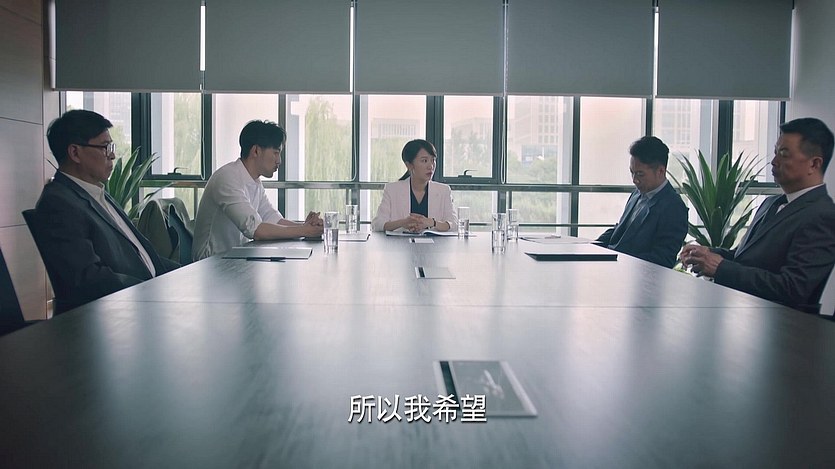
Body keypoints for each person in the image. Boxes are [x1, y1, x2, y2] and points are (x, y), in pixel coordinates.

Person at [681, 117, 835, 313]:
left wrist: (720, 267)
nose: (774, 161)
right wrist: (707, 254)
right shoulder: (771, 203)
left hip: (784, 325)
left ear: (814, 164)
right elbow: (743, 258)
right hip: (745, 314)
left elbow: (794, 289)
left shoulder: (823, 215)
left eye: (784, 154)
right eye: (775, 152)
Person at [33, 110, 179, 314]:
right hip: (111, 316)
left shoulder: (97, 193)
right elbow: (88, 278)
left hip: (144, 303)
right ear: (75, 153)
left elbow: (142, 257)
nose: (112, 155)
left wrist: (187, 274)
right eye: (104, 147)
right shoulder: (58, 203)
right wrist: (152, 291)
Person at [192, 120, 323, 260]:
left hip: (236, 257)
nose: (279, 161)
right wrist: (304, 230)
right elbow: (256, 230)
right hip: (210, 262)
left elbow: (273, 219)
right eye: (276, 153)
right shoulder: (227, 178)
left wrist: (306, 226)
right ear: (256, 151)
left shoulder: (255, 182)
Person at [595, 136, 688, 268]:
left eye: (640, 174)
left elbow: (663, 259)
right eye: (632, 172)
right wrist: (592, 246)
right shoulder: (637, 194)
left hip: (634, 273)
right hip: (614, 265)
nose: (634, 180)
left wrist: (621, 262)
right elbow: (620, 229)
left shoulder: (674, 207)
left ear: (661, 171)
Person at [371, 139, 457, 232]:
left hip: (434, 241)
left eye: (433, 160)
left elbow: (454, 224)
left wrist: (432, 223)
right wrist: (403, 223)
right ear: (409, 165)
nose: (431, 166)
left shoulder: (443, 190)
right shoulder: (392, 190)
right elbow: (378, 224)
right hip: (400, 241)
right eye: (424, 161)